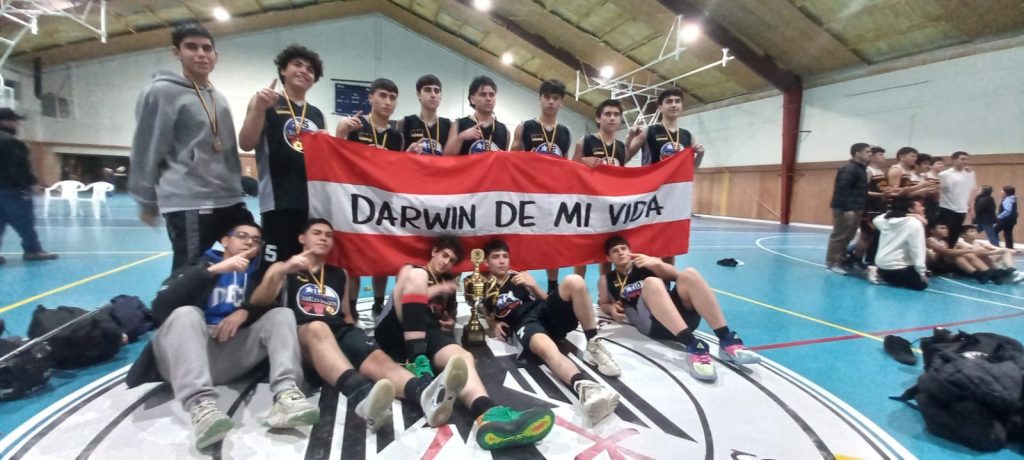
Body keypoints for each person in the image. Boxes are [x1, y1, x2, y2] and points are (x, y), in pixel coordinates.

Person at [248, 219, 468, 432]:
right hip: (303, 336)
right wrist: (281, 269)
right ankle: (361, 394)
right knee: (318, 328)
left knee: (378, 358)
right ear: (302, 238)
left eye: (328, 235)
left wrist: (358, 338)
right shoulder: (284, 269)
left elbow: (345, 315)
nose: (323, 238)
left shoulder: (339, 274)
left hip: (339, 332)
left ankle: (424, 394)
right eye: (317, 233)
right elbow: (259, 302)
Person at [125, 221, 319, 450]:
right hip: (188, 357)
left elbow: (266, 307)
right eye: (242, 235)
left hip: (230, 355)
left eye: (256, 240)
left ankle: (286, 396)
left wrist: (245, 311)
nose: (249, 242)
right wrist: (213, 271)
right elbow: (160, 307)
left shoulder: (255, 276)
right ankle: (202, 408)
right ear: (225, 241)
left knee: (282, 314)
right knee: (187, 314)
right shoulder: (197, 266)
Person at [374, 235, 554, 450]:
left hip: (427, 334)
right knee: (419, 275)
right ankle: (415, 358)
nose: (445, 262)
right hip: (395, 332)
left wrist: (447, 322)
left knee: (463, 357)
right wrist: (436, 291)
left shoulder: (447, 284)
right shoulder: (412, 270)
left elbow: (446, 321)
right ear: (434, 252)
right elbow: (403, 299)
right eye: (444, 256)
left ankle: (488, 414)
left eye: (451, 260)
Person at [130, 23, 251, 271]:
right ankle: (181, 310)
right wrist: (146, 201)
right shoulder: (161, 92)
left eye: (207, 48)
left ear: (216, 56)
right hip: (190, 201)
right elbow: (147, 148)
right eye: (191, 47)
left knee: (252, 251)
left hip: (228, 199)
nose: (201, 54)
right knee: (191, 272)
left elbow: (225, 150)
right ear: (176, 52)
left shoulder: (218, 97)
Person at [480, 239, 621, 426]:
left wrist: (533, 285)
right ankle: (585, 388)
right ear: (486, 262)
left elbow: (546, 299)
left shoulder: (519, 276)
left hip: (544, 311)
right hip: (524, 324)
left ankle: (592, 342)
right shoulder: (483, 286)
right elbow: (487, 314)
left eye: (505, 256)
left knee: (575, 280)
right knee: (548, 350)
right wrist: (494, 323)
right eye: (496, 257)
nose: (502, 261)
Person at [597, 235, 760, 382]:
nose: (620, 252)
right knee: (652, 282)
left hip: (677, 317)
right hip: (652, 324)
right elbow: (603, 303)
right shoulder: (607, 279)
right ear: (608, 257)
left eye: (623, 248)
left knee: (690, 273)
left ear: (630, 250)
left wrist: (657, 263)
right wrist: (610, 308)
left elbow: (676, 276)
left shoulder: (646, 264)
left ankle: (726, 340)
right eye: (614, 251)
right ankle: (693, 347)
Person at [238, 45, 326, 267]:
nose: (304, 71)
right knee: (274, 267)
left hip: (310, 204)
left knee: (304, 266)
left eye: (310, 69)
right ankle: (271, 303)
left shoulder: (316, 114)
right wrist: (258, 109)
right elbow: (246, 143)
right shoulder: (266, 102)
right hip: (278, 202)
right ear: (283, 70)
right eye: (297, 64)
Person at [335, 78, 405, 318]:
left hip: (383, 204)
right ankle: (351, 308)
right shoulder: (355, 126)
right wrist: (341, 133)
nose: (387, 101)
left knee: (380, 258)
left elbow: (398, 171)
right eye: (383, 95)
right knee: (354, 260)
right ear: (371, 97)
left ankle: (377, 303)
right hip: (355, 201)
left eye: (392, 97)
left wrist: (411, 158)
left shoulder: (396, 137)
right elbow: (336, 156)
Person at [624, 87, 702, 267]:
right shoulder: (648, 131)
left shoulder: (687, 136)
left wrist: (701, 155)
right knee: (645, 242)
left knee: (669, 246)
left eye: (677, 101)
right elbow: (625, 157)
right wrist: (629, 137)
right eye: (669, 102)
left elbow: (691, 171)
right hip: (650, 196)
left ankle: (665, 285)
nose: (674, 105)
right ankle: (642, 282)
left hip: (674, 198)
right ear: (660, 107)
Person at [511, 79, 573, 294]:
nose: (550, 102)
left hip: (552, 197)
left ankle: (553, 289)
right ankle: (520, 286)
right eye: (546, 97)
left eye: (555, 98)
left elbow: (566, 165)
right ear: (539, 100)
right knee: (522, 242)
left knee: (551, 244)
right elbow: (510, 161)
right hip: (527, 196)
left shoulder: (565, 132)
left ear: (561, 103)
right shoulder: (526, 126)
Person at [571, 99, 627, 278]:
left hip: (611, 206)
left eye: (616, 115)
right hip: (588, 206)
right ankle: (577, 292)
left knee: (607, 255)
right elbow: (570, 169)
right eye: (607, 114)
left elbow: (622, 175)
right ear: (598, 118)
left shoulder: (620, 147)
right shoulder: (585, 141)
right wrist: (581, 162)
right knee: (582, 253)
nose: (612, 118)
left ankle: (606, 295)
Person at [0, 108, 57, 264]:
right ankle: (33, 250)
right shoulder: (12, 143)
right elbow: (18, 168)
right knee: (24, 222)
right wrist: (32, 184)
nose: (17, 124)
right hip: (12, 191)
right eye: (15, 121)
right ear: (4, 122)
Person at [825, 143, 871, 274]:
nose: (870, 154)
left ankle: (842, 260)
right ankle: (832, 262)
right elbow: (841, 190)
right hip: (845, 208)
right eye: (867, 152)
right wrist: (847, 209)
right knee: (839, 235)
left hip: (856, 208)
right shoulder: (849, 169)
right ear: (857, 153)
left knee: (848, 236)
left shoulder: (861, 169)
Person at [444, 75, 510, 155]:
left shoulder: (504, 130)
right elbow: (446, 157)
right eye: (483, 94)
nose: (488, 98)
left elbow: (504, 162)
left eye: (491, 95)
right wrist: (461, 137)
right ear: (472, 99)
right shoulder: (459, 124)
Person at [873, 197, 928, 290]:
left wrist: (907, 215)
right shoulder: (914, 224)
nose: (923, 208)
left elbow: (876, 219)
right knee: (921, 285)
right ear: (910, 210)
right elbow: (917, 250)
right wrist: (922, 273)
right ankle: (878, 274)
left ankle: (878, 272)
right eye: (920, 206)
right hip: (896, 268)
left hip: (881, 265)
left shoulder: (886, 221)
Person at [925, 223, 998, 284]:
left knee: (961, 258)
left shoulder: (944, 242)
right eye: (942, 228)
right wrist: (970, 250)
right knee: (964, 255)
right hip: (931, 265)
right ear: (932, 230)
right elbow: (946, 252)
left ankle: (984, 273)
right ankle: (985, 273)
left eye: (946, 228)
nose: (946, 230)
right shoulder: (930, 240)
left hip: (939, 266)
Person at [398, 74, 451, 156]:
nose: (433, 95)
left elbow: (452, 158)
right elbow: (397, 159)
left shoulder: (449, 125)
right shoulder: (405, 122)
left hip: (438, 168)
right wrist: (408, 153)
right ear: (418, 95)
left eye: (437, 91)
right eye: (428, 90)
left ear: (440, 96)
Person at [859, 146, 889, 281]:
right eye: (880, 154)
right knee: (866, 236)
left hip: (880, 207)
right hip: (870, 207)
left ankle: (869, 260)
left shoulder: (881, 171)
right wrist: (881, 194)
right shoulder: (868, 171)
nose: (883, 157)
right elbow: (864, 191)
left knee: (875, 236)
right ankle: (857, 259)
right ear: (872, 156)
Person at [957, 225, 1022, 284]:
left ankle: (1012, 271)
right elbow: (976, 252)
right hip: (975, 265)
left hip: (986, 262)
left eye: (975, 231)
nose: (975, 233)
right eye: (971, 231)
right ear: (963, 235)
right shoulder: (961, 243)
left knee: (1006, 253)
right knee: (986, 254)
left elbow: (993, 247)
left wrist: (1013, 251)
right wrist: (998, 251)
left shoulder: (978, 242)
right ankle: (1002, 273)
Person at [937, 151, 976, 247]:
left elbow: (970, 190)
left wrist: (971, 208)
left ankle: (950, 257)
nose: (965, 161)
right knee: (945, 234)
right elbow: (941, 191)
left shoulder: (969, 174)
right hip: (947, 208)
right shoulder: (944, 174)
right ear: (954, 160)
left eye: (966, 159)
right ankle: (942, 257)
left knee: (955, 234)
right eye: (962, 159)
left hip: (962, 209)